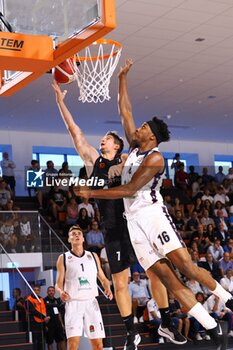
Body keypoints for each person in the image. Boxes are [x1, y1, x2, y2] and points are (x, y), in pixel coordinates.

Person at [75, 59, 233, 350]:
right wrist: (121, 79)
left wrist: (91, 193)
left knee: (186, 267)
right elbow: (125, 110)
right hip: (134, 224)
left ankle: (227, 298)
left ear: (153, 136)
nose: (139, 127)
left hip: (152, 215)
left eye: (145, 126)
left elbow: (131, 189)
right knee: (168, 279)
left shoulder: (155, 158)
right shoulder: (135, 147)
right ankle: (212, 328)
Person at [52, 80, 142, 350]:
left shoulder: (127, 161)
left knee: (159, 269)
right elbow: (74, 131)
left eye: (107, 138)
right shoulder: (94, 162)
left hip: (136, 223)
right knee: (119, 283)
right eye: (103, 138)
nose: (102, 139)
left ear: (117, 146)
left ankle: (169, 316)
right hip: (113, 228)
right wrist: (60, 102)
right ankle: (131, 333)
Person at [55, 225, 113, 350]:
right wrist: (60, 292)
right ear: (69, 239)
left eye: (79, 233)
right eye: (73, 234)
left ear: (83, 239)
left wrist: (107, 287)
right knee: (73, 344)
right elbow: (58, 283)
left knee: (98, 344)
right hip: (73, 303)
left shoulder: (93, 256)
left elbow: (103, 279)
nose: (76, 235)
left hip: (91, 302)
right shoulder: (63, 258)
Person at [26, 285, 50, 350]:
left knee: (42, 342)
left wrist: (46, 323)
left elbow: (44, 310)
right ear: (32, 290)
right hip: (33, 323)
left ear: (40, 291)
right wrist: (43, 317)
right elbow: (33, 311)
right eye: (34, 290)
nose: (36, 291)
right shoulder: (28, 300)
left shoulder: (41, 299)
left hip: (42, 323)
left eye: (38, 290)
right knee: (35, 342)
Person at [44, 286, 66, 350]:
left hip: (58, 324)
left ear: (54, 292)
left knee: (60, 340)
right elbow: (43, 313)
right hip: (49, 324)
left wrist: (61, 324)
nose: (51, 292)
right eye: (49, 291)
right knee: (50, 342)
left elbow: (59, 313)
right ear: (47, 292)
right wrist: (45, 325)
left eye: (52, 291)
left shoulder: (57, 300)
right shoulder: (44, 301)